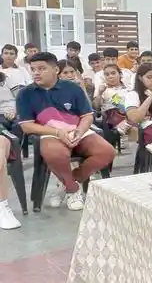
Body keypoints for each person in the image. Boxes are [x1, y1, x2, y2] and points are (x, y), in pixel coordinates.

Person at [17, 52, 116, 211]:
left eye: (41, 68)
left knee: (107, 152)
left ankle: (68, 182)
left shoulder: (72, 88)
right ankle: (72, 190)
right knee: (56, 154)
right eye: (33, 69)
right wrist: (56, 133)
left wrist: (80, 130)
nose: (36, 72)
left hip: (78, 130)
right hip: (49, 133)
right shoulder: (25, 93)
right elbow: (26, 126)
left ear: (55, 69)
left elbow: (87, 116)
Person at [93, 64, 137, 141]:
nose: (110, 76)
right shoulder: (104, 90)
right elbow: (96, 107)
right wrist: (100, 93)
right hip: (112, 116)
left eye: (113, 73)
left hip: (129, 113)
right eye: (107, 74)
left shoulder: (129, 89)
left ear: (120, 74)